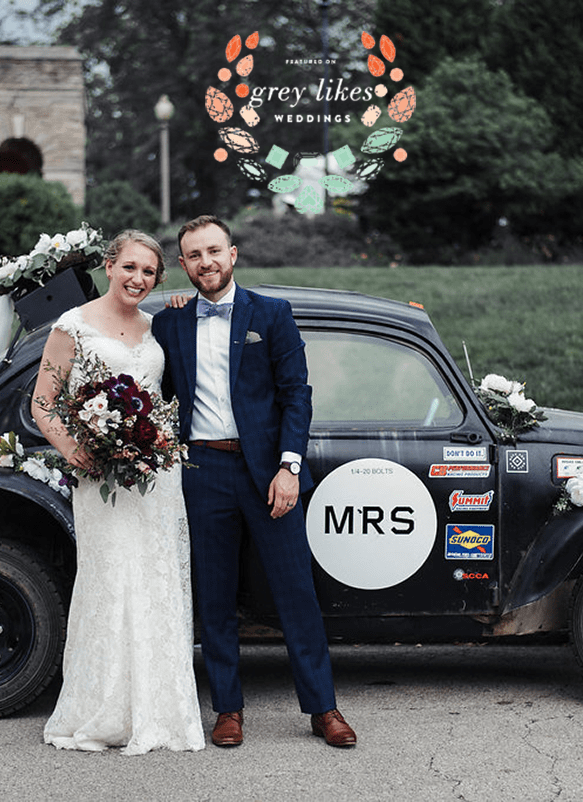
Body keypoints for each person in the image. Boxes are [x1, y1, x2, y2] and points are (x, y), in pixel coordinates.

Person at [152, 214, 356, 748]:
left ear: (233, 254)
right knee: (214, 598)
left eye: (214, 251)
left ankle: (323, 708)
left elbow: (297, 395)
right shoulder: (169, 324)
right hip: (203, 472)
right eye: (194, 256)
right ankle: (227, 710)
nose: (206, 263)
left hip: (269, 473)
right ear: (183, 265)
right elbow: (159, 395)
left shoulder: (272, 313)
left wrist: (289, 466)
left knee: (296, 594)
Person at [32, 229, 204, 755]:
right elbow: (44, 402)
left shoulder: (157, 326)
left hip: (158, 477)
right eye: (130, 267)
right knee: (109, 580)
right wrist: (74, 448)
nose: (138, 279)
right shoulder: (73, 326)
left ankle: (160, 711)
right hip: (101, 478)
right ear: (110, 266)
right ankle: (101, 710)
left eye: (149, 272)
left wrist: (179, 307)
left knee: (158, 582)